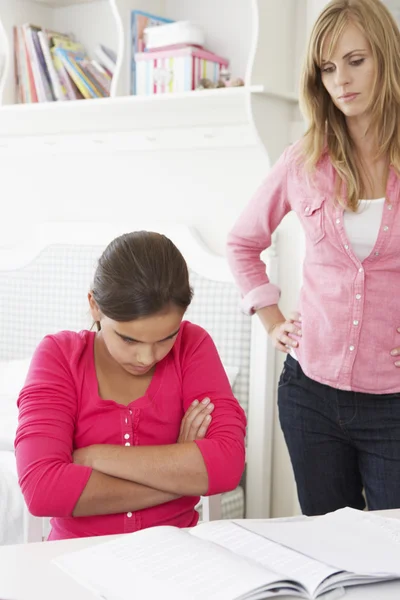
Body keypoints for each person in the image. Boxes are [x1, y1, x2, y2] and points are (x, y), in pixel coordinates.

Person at [226, 0, 400, 516]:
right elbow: (241, 243)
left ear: (386, 58)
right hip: (310, 396)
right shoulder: (303, 160)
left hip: (392, 401)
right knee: (328, 551)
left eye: (355, 60)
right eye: (327, 68)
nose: (341, 80)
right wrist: (271, 319)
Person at [15, 231, 246, 540]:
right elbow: (42, 491)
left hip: (178, 556)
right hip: (75, 561)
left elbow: (227, 465)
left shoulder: (193, 345)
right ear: (94, 306)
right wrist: (180, 472)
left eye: (166, 337)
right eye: (128, 338)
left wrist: (96, 456)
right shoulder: (60, 356)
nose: (147, 356)